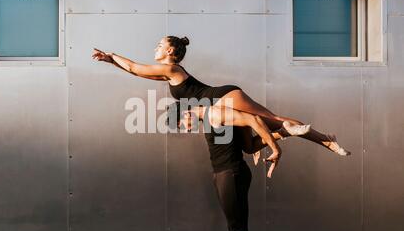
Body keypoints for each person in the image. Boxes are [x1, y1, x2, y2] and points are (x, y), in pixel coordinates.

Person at [91, 35, 351, 173]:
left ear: (170, 51)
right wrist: (111, 61)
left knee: (273, 119)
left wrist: (111, 56)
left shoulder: (171, 69)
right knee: (251, 145)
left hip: (222, 97)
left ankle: (326, 140)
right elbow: (136, 71)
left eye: (160, 45)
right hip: (218, 103)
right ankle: (290, 134)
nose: (155, 47)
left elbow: (136, 68)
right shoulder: (167, 72)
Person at [165, 101, 309, 231]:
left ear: (185, 113)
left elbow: (254, 119)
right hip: (224, 175)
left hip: (231, 175)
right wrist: (279, 134)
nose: (187, 129)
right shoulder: (207, 117)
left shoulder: (214, 114)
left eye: (181, 124)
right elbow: (247, 144)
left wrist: (275, 149)